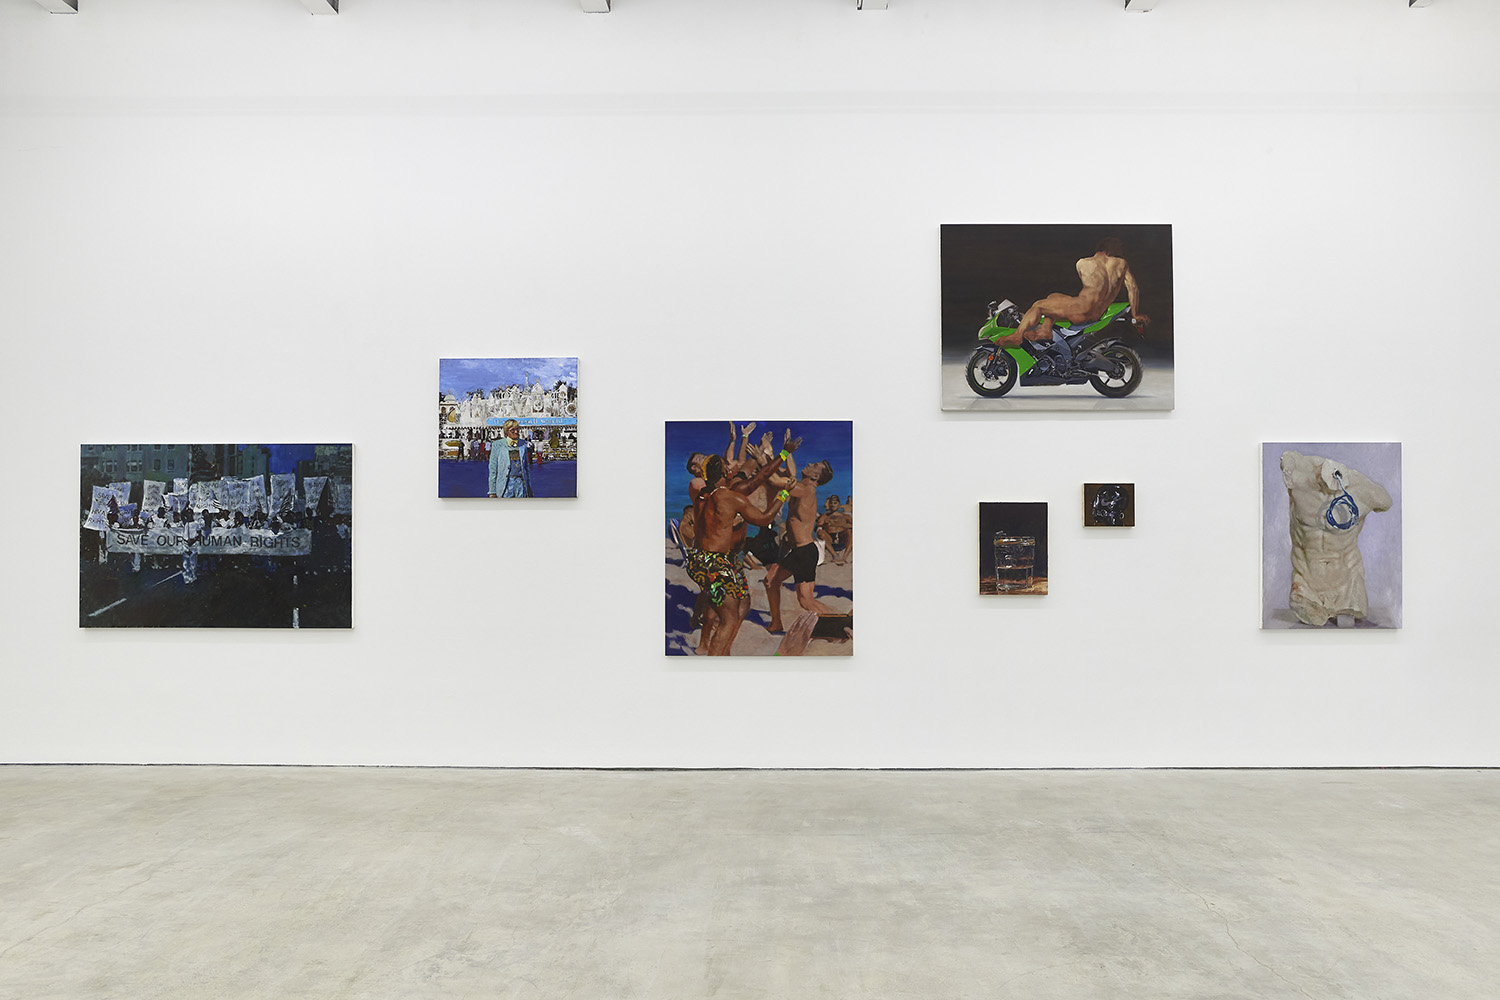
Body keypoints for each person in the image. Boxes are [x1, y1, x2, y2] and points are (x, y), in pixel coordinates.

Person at [688, 452, 790, 656]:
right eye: (728, 466)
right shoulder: (730, 497)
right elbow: (765, 519)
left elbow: (753, 475)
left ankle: (719, 650)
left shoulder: (701, 495)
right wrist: (784, 494)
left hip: (704, 559)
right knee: (729, 617)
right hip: (716, 562)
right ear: (726, 471)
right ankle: (716, 659)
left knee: (740, 603)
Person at [1009, 237, 1150, 347]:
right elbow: (1133, 288)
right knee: (1054, 296)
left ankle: (1017, 336)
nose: (1121, 250)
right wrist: (1135, 314)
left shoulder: (1083, 263)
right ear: (1110, 249)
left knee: (1038, 306)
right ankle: (1045, 330)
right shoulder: (1122, 264)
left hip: (1082, 309)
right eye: (1119, 247)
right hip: (1098, 313)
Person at [763, 457, 837, 633]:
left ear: (815, 477)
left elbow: (775, 480)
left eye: (814, 465)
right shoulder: (802, 486)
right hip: (798, 551)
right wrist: (786, 453)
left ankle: (840, 624)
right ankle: (776, 623)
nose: (809, 463)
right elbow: (788, 472)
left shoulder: (806, 491)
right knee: (771, 581)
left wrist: (762, 459)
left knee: (805, 601)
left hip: (804, 552)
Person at [488, 419, 534, 498]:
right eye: (512, 430)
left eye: (517, 429)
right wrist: (492, 491)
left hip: (520, 484)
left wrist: (529, 488)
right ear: (506, 432)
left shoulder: (523, 444)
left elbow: (526, 469)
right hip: (505, 486)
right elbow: (493, 470)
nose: (516, 432)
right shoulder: (497, 445)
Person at [815, 494, 853, 565]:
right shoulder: (824, 516)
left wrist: (839, 524)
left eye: (835, 503)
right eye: (831, 503)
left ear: (839, 504)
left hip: (842, 538)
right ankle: (835, 555)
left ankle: (844, 557)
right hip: (830, 539)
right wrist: (826, 524)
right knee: (821, 532)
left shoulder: (845, 516)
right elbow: (818, 527)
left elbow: (853, 526)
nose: (833, 505)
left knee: (850, 532)